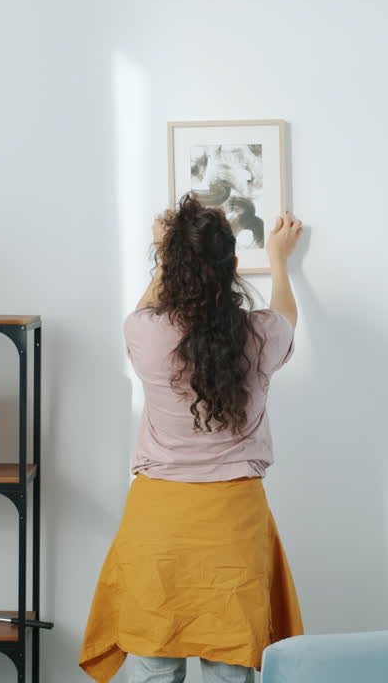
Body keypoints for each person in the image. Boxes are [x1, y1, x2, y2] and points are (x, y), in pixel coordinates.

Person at [79, 194, 305, 683]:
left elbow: (144, 309)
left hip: (159, 522)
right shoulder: (261, 335)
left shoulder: (146, 333)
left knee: (156, 669)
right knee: (231, 669)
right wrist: (280, 261)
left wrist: (166, 257)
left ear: (171, 268)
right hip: (233, 523)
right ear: (234, 266)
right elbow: (286, 317)